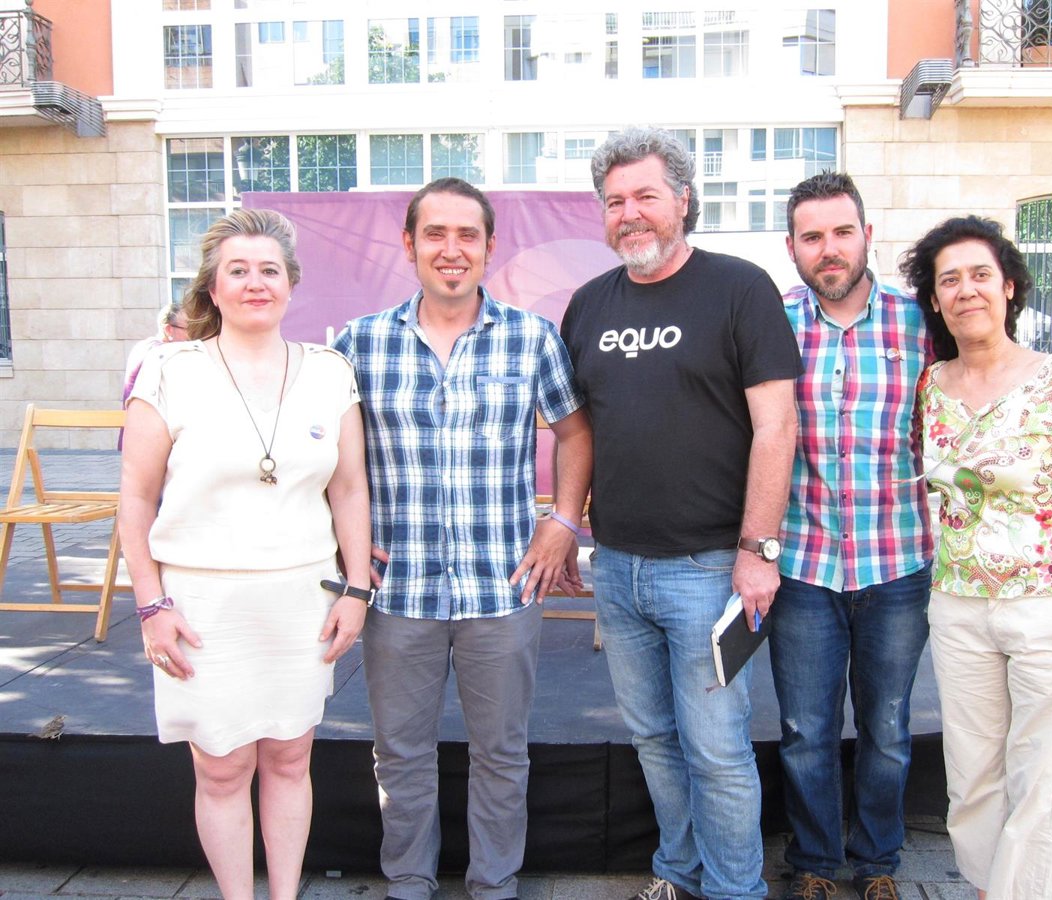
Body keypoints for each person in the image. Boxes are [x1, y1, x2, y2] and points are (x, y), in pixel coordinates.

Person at [332, 178, 592, 900]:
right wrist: (340, 539)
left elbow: (575, 432)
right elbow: (330, 456)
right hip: (399, 590)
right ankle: (408, 883)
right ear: (409, 244)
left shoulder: (531, 338)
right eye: (436, 234)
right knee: (400, 753)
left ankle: (494, 885)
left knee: (502, 753)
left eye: (467, 235)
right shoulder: (359, 343)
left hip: (500, 588)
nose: (452, 249)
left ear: (489, 247)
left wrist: (563, 520)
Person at [560, 127, 800, 900]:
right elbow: (579, 433)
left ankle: (735, 890)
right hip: (618, 566)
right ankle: (678, 872)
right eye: (614, 201)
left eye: (645, 196)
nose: (629, 213)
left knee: (717, 750)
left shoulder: (740, 288)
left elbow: (777, 426)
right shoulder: (588, 305)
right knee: (654, 740)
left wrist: (758, 550)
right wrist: (566, 527)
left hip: (710, 569)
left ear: (684, 200)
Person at [118, 208, 372, 900]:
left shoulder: (330, 371)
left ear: (291, 283)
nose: (255, 282)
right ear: (213, 286)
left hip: (300, 602)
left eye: (269, 270)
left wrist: (356, 589)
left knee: (290, 758)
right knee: (222, 768)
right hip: (201, 606)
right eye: (238, 270)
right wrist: (151, 605)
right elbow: (135, 500)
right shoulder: (167, 372)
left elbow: (350, 489)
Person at [898, 216, 1052, 900]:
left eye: (980, 275)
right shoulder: (931, 387)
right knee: (971, 781)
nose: (966, 290)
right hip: (959, 608)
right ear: (935, 300)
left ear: (1009, 288)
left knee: (1034, 782)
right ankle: (985, 886)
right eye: (949, 280)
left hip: (1047, 613)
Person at [769, 173, 933, 900]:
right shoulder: (771, 325)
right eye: (812, 237)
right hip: (803, 565)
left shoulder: (920, 323)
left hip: (896, 562)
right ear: (792, 248)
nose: (828, 249)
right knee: (805, 729)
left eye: (841, 232)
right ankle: (813, 861)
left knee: (887, 728)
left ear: (867, 235)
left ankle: (877, 864)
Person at [119, 303, 190, 449]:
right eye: (189, 328)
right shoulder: (163, 353)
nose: (193, 335)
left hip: (138, 434)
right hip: (148, 437)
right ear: (168, 330)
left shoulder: (144, 346)